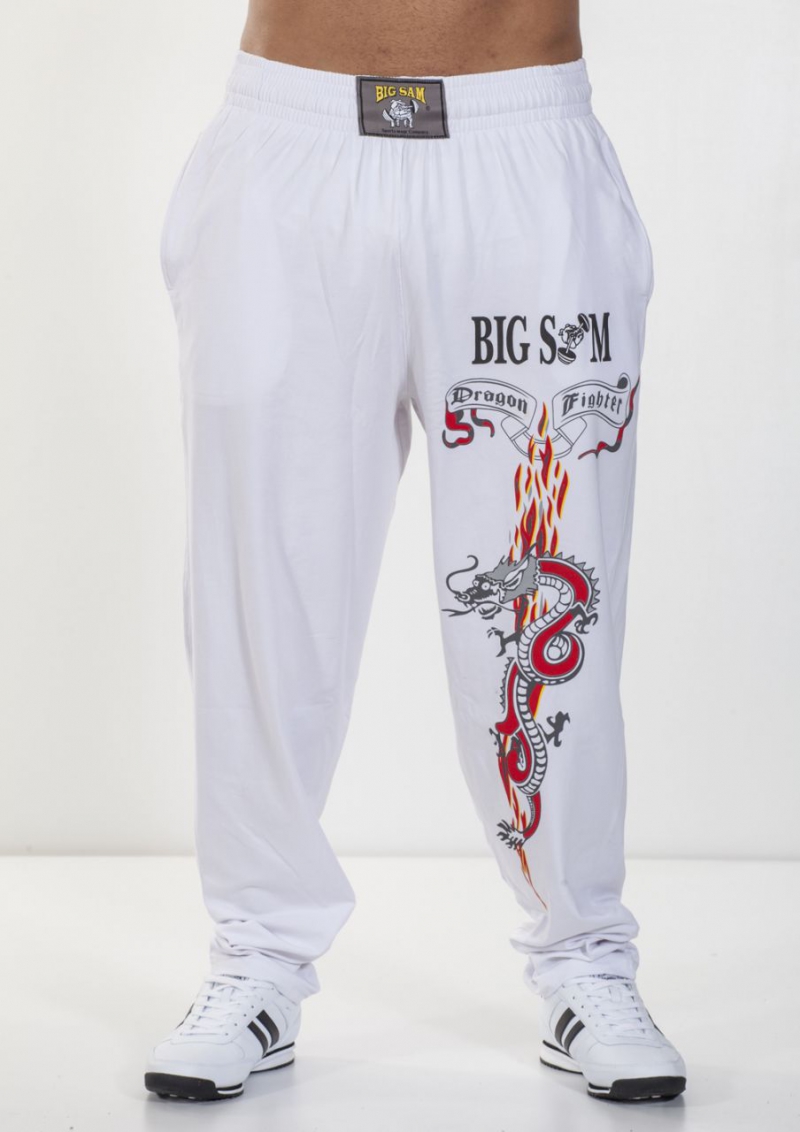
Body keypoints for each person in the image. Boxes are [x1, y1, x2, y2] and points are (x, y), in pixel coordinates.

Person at [144, 0, 687, 1105]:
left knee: (552, 593)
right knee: (261, 587)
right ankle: (255, 955)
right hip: (289, 152)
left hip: (521, 151)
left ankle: (584, 956)